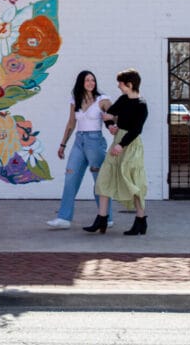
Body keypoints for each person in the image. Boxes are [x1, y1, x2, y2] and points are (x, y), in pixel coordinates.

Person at [84, 68, 148, 236]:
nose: (118, 86)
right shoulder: (123, 99)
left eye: (121, 83)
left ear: (130, 84)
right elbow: (110, 113)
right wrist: (111, 124)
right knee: (104, 178)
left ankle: (141, 220)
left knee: (132, 182)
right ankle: (102, 219)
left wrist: (121, 144)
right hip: (118, 141)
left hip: (131, 145)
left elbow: (136, 130)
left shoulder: (141, 105)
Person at [46, 70, 113, 229]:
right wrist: (63, 144)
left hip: (95, 142)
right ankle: (64, 218)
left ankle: (107, 217)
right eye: (87, 80)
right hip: (78, 141)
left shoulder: (102, 99)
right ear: (81, 83)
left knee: (99, 181)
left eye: (93, 80)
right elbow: (71, 123)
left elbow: (113, 115)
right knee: (70, 177)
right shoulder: (75, 100)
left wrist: (111, 120)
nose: (91, 83)